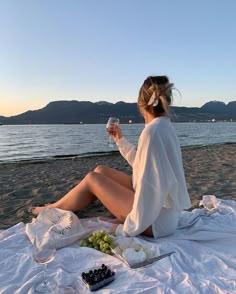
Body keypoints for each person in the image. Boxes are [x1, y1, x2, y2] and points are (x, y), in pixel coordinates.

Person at [30, 75, 191, 238]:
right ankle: (57, 207)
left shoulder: (152, 132)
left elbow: (149, 185)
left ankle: (50, 209)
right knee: (100, 170)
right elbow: (143, 166)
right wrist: (119, 140)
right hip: (165, 213)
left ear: (141, 103)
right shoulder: (163, 126)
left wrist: (128, 226)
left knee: (92, 178)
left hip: (155, 221)